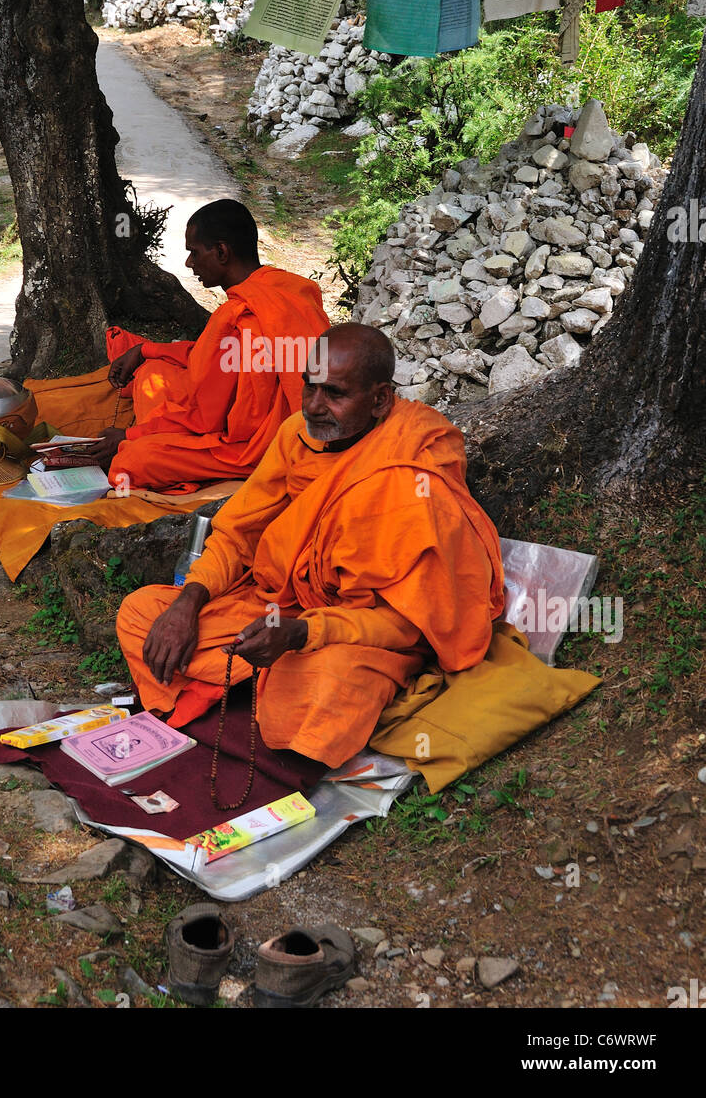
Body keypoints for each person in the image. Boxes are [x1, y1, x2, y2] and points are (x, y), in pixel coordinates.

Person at [116, 323, 506, 768]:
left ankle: (255, 689)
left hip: (356, 631)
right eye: (309, 387)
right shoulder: (296, 436)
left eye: (334, 393)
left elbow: (407, 625)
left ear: (379, 400)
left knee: (329, 681)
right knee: (143, 613)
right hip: (280, 604)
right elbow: (238, 532)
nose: (315, 407)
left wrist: (305, 634)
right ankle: (252, 683)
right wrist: (189, 602)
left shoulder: (415, 465)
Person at [86, 200, 330, 491]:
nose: (189, 263)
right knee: (153, 372)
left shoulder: (238, 316)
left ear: (222, 252)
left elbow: (204, 421)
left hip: (255, 448)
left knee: (131, 462)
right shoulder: (293, 289)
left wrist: (129, 435)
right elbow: (211, 357)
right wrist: (144, 350)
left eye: (194, 252)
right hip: (294, 428)